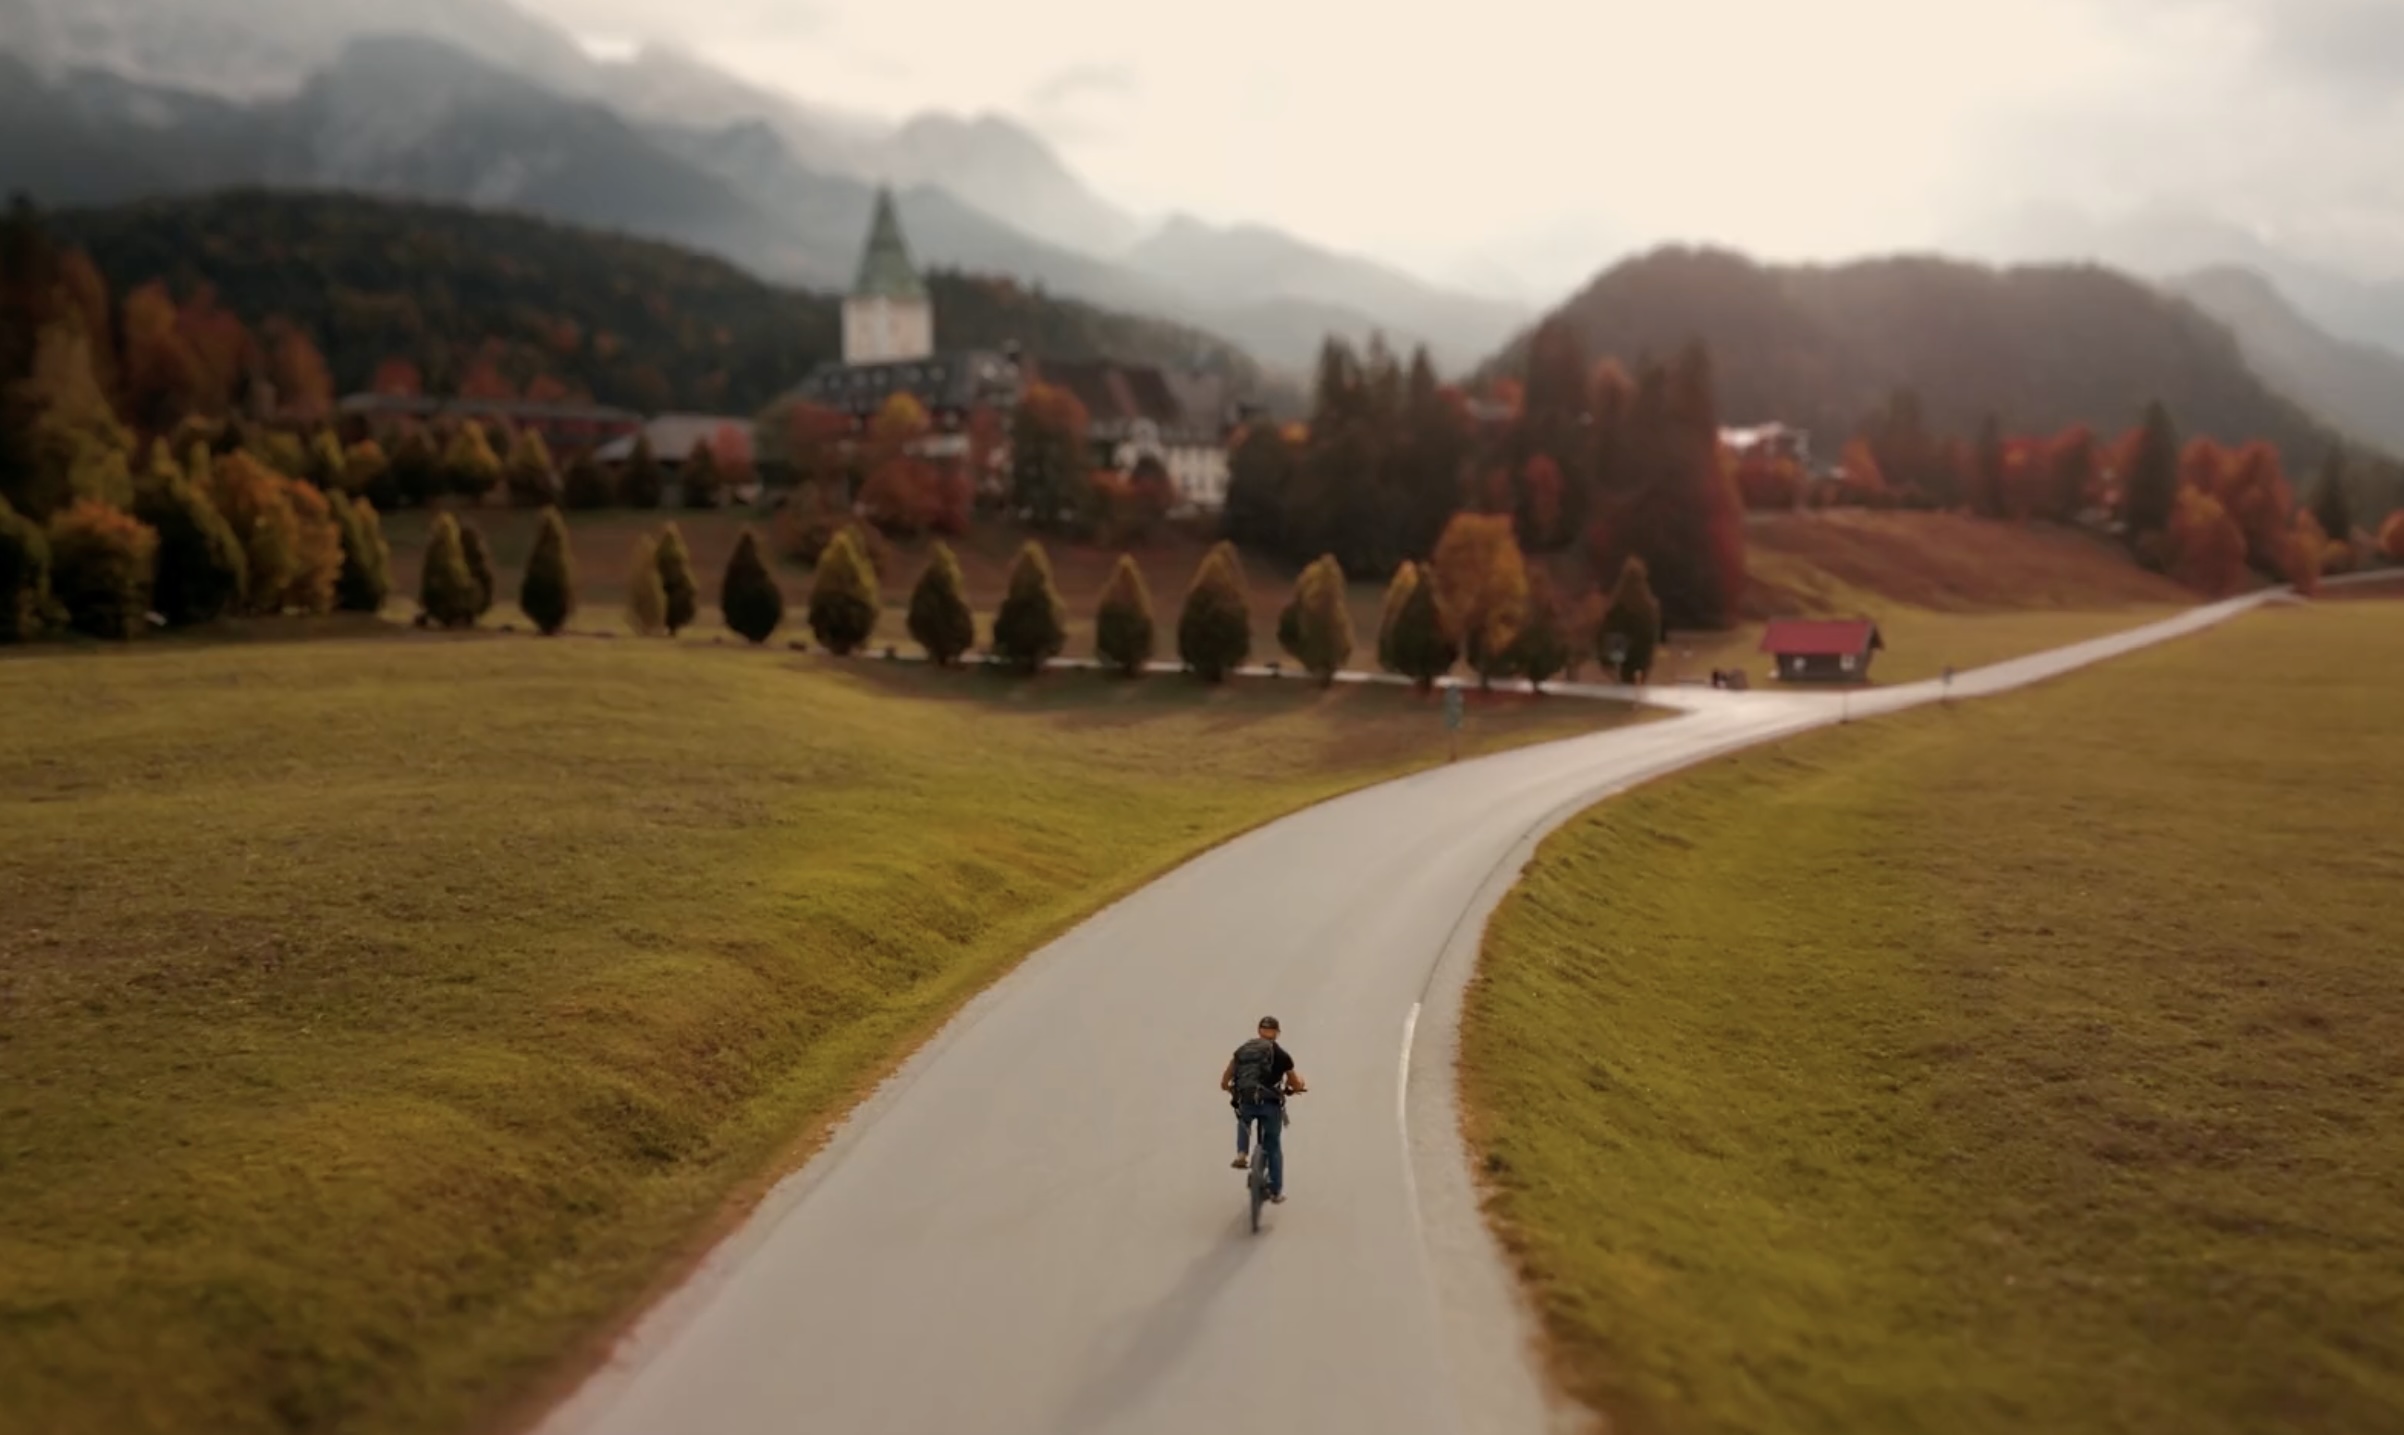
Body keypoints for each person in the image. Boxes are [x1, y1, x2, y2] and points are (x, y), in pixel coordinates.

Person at [1220, 1015, 1306, 1203]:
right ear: (1276, 1033)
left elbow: (1225, 1079)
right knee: (1273, 1144)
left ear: (1259, 1031)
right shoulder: (1280, 1054)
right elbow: (1293, 1081)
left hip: (1247, 1100)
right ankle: (1275, 1191)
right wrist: (1297, 1088)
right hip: (1270, 1104)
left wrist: (1229, 1087)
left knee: (1243, 1119)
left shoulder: (1243, 1050)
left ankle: (1242, 1152)